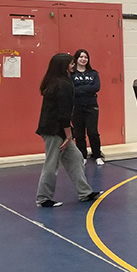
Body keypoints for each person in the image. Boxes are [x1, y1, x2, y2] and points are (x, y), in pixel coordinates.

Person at [35, 53, 101, 208]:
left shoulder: (56, 81)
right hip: (54, 130)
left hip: (56, 128)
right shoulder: (63, 84)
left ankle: (84, 192)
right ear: (63, 66)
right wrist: (69, 135)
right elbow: (63, 113)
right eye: (71, 63)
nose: (73, 65)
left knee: (76, 157)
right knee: (52, 163)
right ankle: (43, 198)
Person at [72, 49, 104, 166]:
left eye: (85, 57)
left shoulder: (93, 74)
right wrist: (86, 89)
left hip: (91, 106)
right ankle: (82, 156)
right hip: (76, 107)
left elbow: (96, 87)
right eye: (81, 57)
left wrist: (79, 89)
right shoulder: (71, 74)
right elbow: (71, 90)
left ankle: (97, 155)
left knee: (93, 132)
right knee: (79, 133)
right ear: (76, 59)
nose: (83, 59)